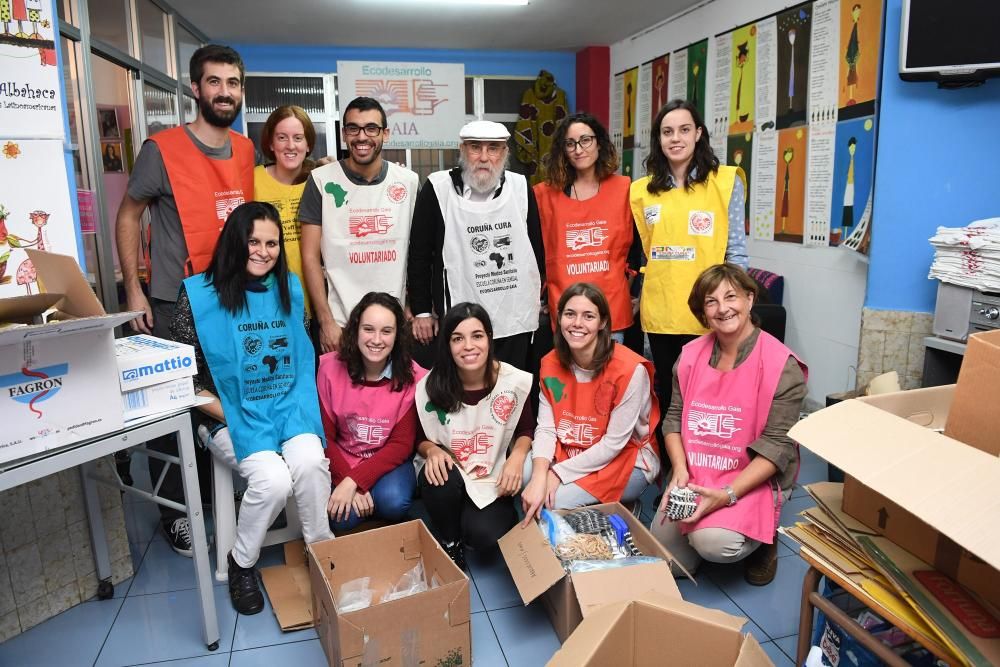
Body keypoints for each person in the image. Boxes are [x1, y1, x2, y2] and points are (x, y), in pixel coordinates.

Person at [115, 44, 253, 557]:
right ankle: (176, 511)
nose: (224, 91)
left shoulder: (244, 150)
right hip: (174, 299)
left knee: (222, 398)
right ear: (195, 89)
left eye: (233, 82)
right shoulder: (162, 148)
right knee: (172, 404)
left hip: (229, 301)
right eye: (214, 82)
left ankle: (219, 496)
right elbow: (130, 215)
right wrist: (133, 287)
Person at [170, 201, 332, 614]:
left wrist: (288, 411)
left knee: (311, 463)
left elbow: (300, 358)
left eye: (272, 243)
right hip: (224, 415)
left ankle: (322, 554)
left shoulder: (289, 289)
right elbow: (185, 380)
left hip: (285, 408)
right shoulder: (198, 296)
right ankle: (241, 563)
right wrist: (240, 416)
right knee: (274, 481)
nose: (263, 251)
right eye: (253, 241)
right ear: (234, 243)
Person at [650, 264, 806, 586]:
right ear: (703, 313)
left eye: (731, 297)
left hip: (750, 476)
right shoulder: (690, 356)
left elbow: (777, 447)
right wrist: (679, 470)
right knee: (669, 563)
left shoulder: (782, 365)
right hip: (696, 474)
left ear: (750, 299)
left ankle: (764, 539)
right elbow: (673, 419)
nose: (723, 308)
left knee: (713, 544)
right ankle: (707, 529)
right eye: (711, 301)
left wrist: (726, 496)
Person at [629, 99, 749, 416]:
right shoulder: (641, 191)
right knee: (668, 392)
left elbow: (736, 250)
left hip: (710, 309)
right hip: (662, 310)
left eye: (684, 130)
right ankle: (673, 464)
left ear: (698, 133)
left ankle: (706, 462)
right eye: (667, 132)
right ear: (659, 139)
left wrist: (735, 305)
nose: (676, 138)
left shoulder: (725, 181)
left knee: (711, 393)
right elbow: (643, 253)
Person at [407, 120, 544, 372]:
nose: (483, 157)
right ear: (462, 150)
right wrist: (423, 311)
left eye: (493, 148)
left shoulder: (521, 187)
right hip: (460, 321)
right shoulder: (438, 188)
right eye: (475, 147)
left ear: (504, 153)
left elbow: (536, 249)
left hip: (513, 318)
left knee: (510, 392)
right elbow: (419, 254)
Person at [521, 283, 660, 520]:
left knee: (551, 501)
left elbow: (614, 444)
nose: (577, 323)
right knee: (526, 476)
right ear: (559, 318)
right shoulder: (550, 362)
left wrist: (556, 473)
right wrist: (539, 475)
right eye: (570, 314)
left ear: (603, 322)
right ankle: (600, 508)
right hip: (572, 445)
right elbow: (546, 427)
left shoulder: (629, 370)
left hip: (623, 458)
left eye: (588, 316)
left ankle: (624, 508)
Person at [414, 303, 534, 569]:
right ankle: (450, 541)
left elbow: (526, 430)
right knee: (437, 476)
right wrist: (431, 451)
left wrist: (516, 457)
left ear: (489, 339)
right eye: (458, 338)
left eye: (477, 336)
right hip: (452, 469)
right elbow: (420, 437)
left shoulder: (511, 381)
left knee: (484, 535)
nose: (468, 346)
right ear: (447, 345)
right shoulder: (431, 385)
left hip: (490, 471)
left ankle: (471, 520)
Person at [299, 97, 419, 353]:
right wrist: (325, 321)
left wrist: (416, 306)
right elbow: (309, 256)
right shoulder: (320, 181)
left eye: (371, 128)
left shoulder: (408, 182)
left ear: (385, 134)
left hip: (393, 324)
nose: (361, 137)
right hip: (341, 325)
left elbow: (420, 252)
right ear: (344, 134)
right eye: (353, 128)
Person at [317, 292, 426, 532]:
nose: (376, 340)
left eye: (386, 331)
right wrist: (345, 480)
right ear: (355, 329)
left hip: (388, 459)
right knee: (341, 517)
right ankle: (367, 505)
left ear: (397, 336)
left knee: (394, 501)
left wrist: (356, 482)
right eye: (368, 329)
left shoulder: (412, 375)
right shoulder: (330, 369)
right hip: (344, 457)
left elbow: (401, 444)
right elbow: (324, 437)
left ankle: (376, 504)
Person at [534, 113, 641, 341]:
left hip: (611, 310)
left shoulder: (624, 190)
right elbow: (536, 251)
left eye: (585, 140)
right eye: (570, 143)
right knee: (571, 377)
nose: (578, 149)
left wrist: (630, 292)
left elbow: (635, 251)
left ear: (599, 143)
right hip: (567, 313)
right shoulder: (544, 195)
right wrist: (544, 296)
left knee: (611, 375)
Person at [253, 105, 317, 318]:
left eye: (298, 138)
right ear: (271, 143)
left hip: (313, 303)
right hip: (264, 303)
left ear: (308, 144)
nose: (290, 146)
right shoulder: (251, 181)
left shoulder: (319, 181)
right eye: (282, 137)